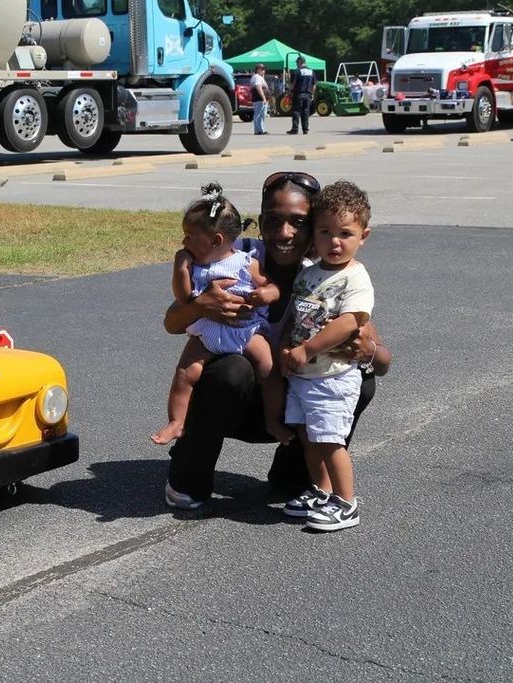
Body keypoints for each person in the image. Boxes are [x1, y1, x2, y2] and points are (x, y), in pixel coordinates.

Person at [163, 171, 391, 511]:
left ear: (313, 228)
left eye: (298, 223)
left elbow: (383, 360)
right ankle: (189, 474)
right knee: (232, 369)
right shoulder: (235, 255)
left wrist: (368, 350)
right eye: (273, 220)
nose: (284, 233)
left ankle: (296, 475)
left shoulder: (327, 273)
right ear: (260, 222)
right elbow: (171, 323)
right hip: (235, 402)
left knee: (361, 380)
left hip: (292, 403)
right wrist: (200, 306)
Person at [152, 183, 291, 447]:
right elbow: (183, 298)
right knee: (186, 372)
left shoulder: (245, 261)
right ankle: (176, 421)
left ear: (216, 241)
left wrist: (266, 295)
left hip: (246, 330)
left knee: (269, 369)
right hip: (207, 332)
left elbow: (270, 285)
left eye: (189, 236)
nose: (184, 242)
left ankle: (273, 421)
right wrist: (180, 266)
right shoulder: (192, 265)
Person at [278, 181, 373, 532]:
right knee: (309, 437)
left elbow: (350, 322)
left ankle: (347, 503)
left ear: (363, 235)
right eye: (325, 232)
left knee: (332, 440)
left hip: (332, 376)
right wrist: (288, 346)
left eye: (345, 233)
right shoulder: (309, 273)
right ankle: (322, 491)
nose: (335, 242)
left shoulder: (355, 278)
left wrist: (307, 349)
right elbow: (296, 316)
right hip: (304, 375)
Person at [287, 57, 315, 135]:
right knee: (306, 112)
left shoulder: (297, 71)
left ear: (300, 62)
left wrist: (289, 92)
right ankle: (305, 129)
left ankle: (295, 129)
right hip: (307, 95)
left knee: (296, 111)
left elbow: (293, 84)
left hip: (298, 94)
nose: (296, 64)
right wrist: (312, 94)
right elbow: (314, 85)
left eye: (297, 63)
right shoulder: (311, 71)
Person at [250, 64, 270, 135]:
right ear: (258, 69)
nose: (264, 71)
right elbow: (258, 87)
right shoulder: (256, 77)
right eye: (262, 69)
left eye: (264, 69)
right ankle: (259, 130)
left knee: (262, 114)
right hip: (259, 99)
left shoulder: (260, 77)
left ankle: (262, 129)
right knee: (259, 114)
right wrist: (263, 98)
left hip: (261, 99)